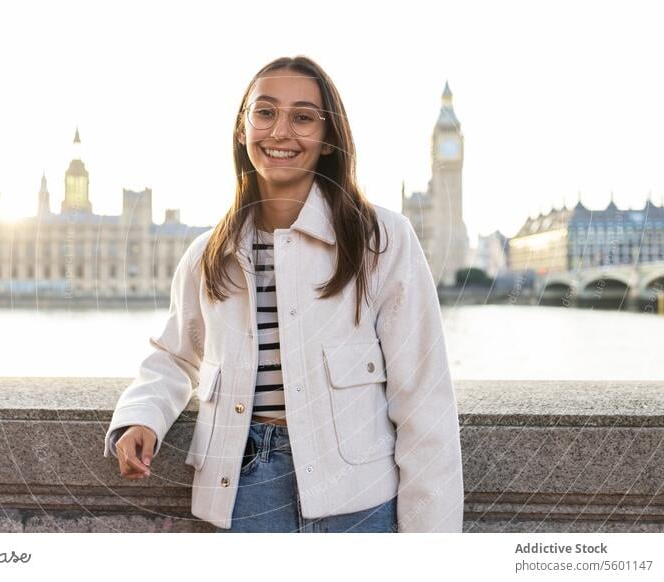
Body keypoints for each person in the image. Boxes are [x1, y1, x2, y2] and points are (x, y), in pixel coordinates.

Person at [103, 55, 464, 533]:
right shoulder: (207, 254)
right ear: (241, 129)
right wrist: (142, 417)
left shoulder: (381, 239)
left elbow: (424, 398)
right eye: (266, 112)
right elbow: (174, 356)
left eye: (302, 117)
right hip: (242, 490)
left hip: (356, 494)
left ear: (330, 136)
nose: (280, 132)